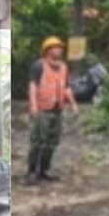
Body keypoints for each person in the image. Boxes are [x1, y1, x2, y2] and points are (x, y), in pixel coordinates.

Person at [27, 36, 79, 184]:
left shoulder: (63, 67)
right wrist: (33, 106)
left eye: (60, 47)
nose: (59, 50)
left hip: (57, 109)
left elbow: (66, 87)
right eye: (56, 47)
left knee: (52, 141)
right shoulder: (39, 66)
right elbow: (33, 86)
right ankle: (32, 171)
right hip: (43, 109)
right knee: (38, 141)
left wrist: (73, 104)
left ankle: (44, 170)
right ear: (47, 50)